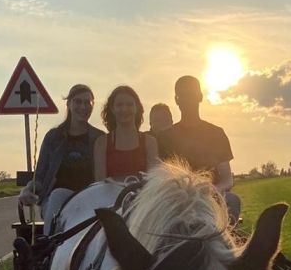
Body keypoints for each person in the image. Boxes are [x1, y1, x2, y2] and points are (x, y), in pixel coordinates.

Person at [18, 83, 104, 235]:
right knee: (58, 194)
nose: (83, 107)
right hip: (55, 200)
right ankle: (50, 242)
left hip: (88, 198)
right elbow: (40, 175)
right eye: (78, 101)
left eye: (87, 103)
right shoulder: (53, 137)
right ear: (69, 104)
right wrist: (27, 190)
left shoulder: (99, 138)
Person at [155, 75, 241, 220]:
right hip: (176, 199)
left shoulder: (217, 134)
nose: (187, 100)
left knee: (232, 201)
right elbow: (160, 177)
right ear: (176, 100)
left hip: (211, 198)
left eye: (191, 95)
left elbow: (227, 180)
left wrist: (211, 190)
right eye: (182, 95)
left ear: (200, 97)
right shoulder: (165, 137)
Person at [93, 86, 159, 181]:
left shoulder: (150, 142)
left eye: (129, 105)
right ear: (112, 108)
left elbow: (153, 181)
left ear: (137, 108)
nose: (124, 109)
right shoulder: (101, 143)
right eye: (119, 105)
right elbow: (100, 182)